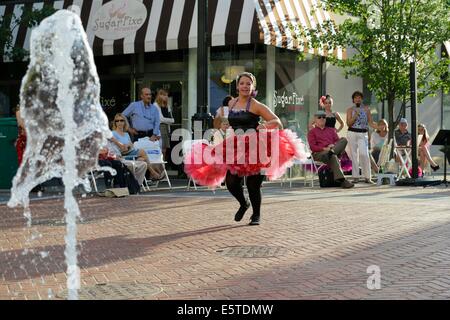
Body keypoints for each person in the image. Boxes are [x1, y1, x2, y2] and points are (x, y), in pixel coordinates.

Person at [184, 72, 307, 226]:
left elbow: (277, 122)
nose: (245, 86)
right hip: (235, 145)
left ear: (253, 87)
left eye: (248, 84)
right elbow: (220, 122)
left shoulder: (256, 105)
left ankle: (256, 215)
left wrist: (264, 125)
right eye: (242, 83)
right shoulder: (231, 104)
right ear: (237, 86)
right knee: (231, 182)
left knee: (253, 184)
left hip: (256, 146)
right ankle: (244, 203)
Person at [110, 113, 164, 181]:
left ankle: (136, 182)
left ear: (124, 122)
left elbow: (131, 145)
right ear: (115, 123)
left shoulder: (126, 134)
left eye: (121, 120)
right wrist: (126, 146)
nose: (119, 122)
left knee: (142, 161)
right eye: (117, 121)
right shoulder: (113, 133)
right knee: (142, 151)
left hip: (129, 152)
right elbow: (120, 148)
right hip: (122, 155)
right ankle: (153, 173)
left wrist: (128, 146)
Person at [307, 111, 354, 188]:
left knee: (344, 140)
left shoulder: (331, 130)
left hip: (331, 151)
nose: (322, 118)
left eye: (324, 117)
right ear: (315, 120)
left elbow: (338, 142)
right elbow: (313, 147)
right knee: (333, 156)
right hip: (319, 153)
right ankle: (342, 181)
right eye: (319, 117)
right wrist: (325, 148)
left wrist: (333, 146)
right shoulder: (312, 132)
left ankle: (331, 152)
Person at [346, 91, 378, 184]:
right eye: (356, 98)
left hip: (363, 133)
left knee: (364, 154)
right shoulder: (350, 110)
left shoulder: (367, 109)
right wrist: (355, 116)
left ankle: (368, 177)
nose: (357, 99)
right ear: (353, 100)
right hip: (352, 132)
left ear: (362, 99)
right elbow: (348, 123)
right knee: (354, 155)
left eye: (359, 97)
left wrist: (379, 127)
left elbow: (371, 122)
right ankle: (355, 177)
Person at [154, 88, 174, 160]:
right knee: (159, 148)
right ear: (159, 95)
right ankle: (159, 165)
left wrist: (167, 120)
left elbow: (173, 120)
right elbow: (160, 119)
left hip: (166, 128)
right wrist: (168, 120)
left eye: (167, 95)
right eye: (164, 95)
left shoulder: (167, 106)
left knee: (164, 149)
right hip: (159, 128)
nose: (166, 97)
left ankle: (163, 166)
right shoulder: (155, 105)